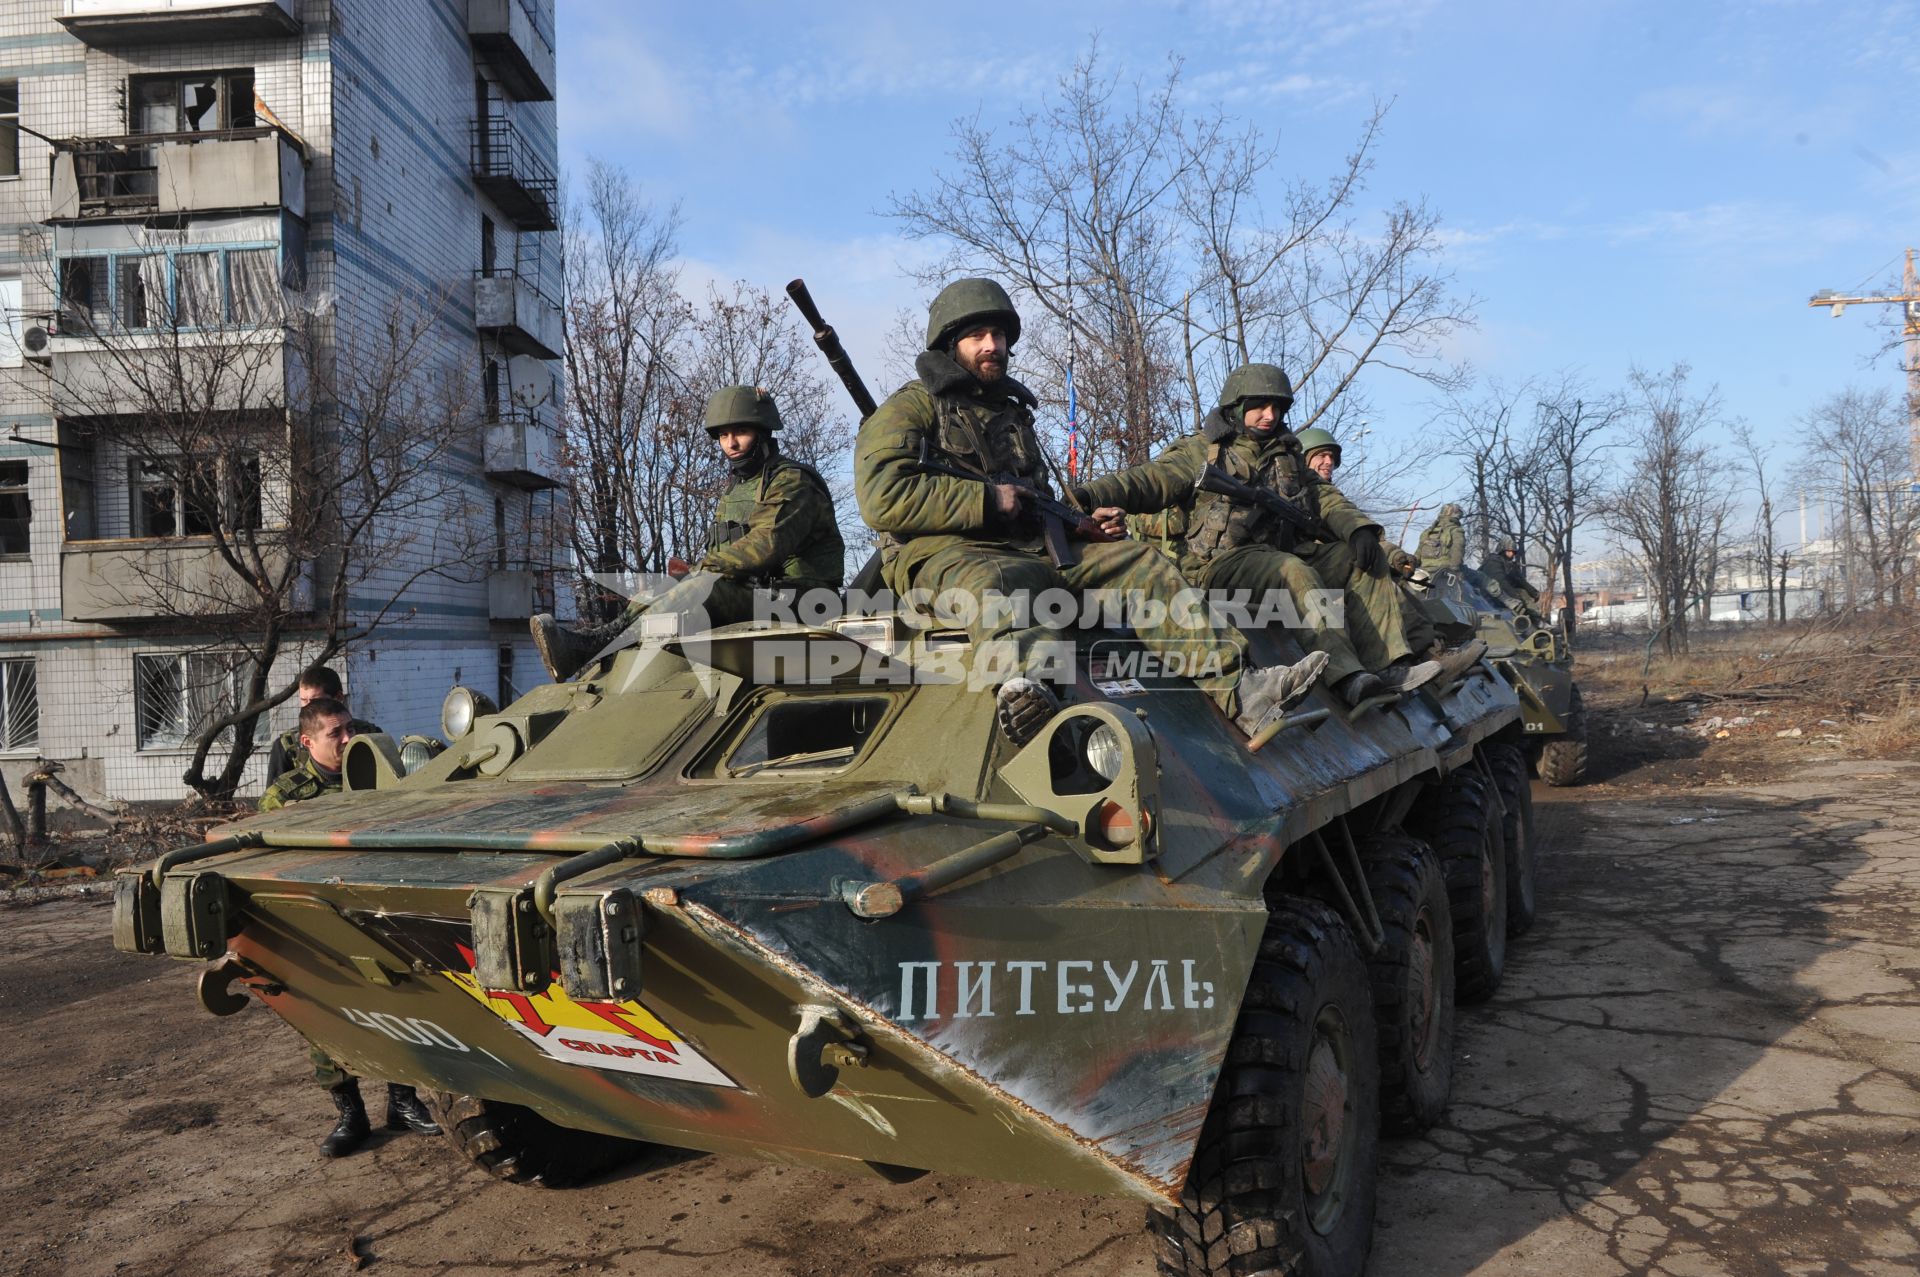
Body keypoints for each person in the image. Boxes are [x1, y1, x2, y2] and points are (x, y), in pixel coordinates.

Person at [856, 279, 1326, 744]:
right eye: (978, 336)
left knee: (1139, 561)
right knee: (998, 583)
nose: (992, 346)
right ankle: (1025, 694)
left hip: (1025, 549)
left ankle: (1242, 691)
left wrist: (1080, 525)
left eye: (999, 337)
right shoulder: (913, 407)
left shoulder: (1013, 416)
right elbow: (881, 497)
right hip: (945, 554)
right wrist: (984, 500)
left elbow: (1032, 503)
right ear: (948, 344)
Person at [1071, 367, 1445, 706]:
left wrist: (1358, 528)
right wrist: (1088, 495)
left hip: (1274, 553)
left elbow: (1325, 498)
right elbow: (1149, 480)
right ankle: (1347, 676)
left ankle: (1391, 665)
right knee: (1291, 570)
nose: (1270, 416)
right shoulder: (1203, 451)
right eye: (1260, 406)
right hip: (1216, 565)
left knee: (1358, 558)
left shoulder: (1288, 456)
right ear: (1237, 406)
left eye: (1277, 408)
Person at [531, 385, 845, 681]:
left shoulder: (792, 480)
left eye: (741, 432)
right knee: (661, 589)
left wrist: (700, 572)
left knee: (696, 588)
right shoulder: (739, 487)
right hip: (757, 593)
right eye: (723, 435)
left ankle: (598, 643)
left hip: (801, 598)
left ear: (763, 433)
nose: (731, 443)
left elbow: (766, 544)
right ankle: (598, 643)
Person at [258, 698, 441, 1155]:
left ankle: (403, 1101)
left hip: (376, 915)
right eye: (334, 733)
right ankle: (350, 1115)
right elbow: (264, 858)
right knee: (326, 1019)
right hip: (317, 922)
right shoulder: (287, 794)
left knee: (404, 1005)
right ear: (307, 742)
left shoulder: (380, 779)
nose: (346, 739)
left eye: (349, 729)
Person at [1295, 430, 1486, 678]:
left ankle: (1430, 654)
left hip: (1334, 569)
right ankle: (1411, 659)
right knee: (1383, 582)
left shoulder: (1326, 497)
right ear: (1303, 459)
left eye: (1331, 457)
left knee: (1394, 581)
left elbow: (1359, 535)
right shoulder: (1298, 495)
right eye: (1321, 455)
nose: (1329, 462)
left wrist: (1396, 556)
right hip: (1309, 572)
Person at [264, 664, 379, 782]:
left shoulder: (369, 734)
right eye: (304, 700)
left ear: (338, 697)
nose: (308, 706)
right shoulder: (287, 745)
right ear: (307, 741)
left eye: (316, 701)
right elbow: (277, 792)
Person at [1479, 536, 1542, 618]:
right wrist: (1516, 597)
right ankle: (1535, 620)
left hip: (1502, 596)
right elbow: (1501, 582)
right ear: (1502, 551)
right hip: (1488, 597)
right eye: (1509, 551)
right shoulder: (1493, 562)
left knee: (1522, 592)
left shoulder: (1509, 565)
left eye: (1513, 552)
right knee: (1521, 595)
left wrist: (1533, 592)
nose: (1511, 554)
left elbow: (1520, 580)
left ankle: (1536, 619)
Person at [1417, 503, 1467, 571]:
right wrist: (1454, 568)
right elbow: (1457, 551)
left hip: (1424, 570)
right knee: (1481, 577)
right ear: (1457, 515)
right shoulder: (1456, 530)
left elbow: (1417, 554)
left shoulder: (1427, 531)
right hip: (1444, 570)